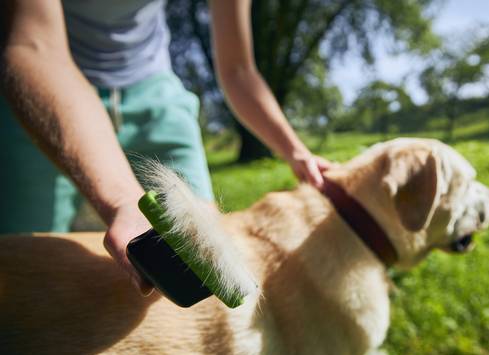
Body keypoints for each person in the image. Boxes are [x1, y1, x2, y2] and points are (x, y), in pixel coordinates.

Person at [0, 0, 331, 295]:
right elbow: (33, 45)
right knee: (22, 278)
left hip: (155, 96)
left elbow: (238, 69)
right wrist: (122, 199)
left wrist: (296, 151)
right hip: (46, 90)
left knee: (204, 258)